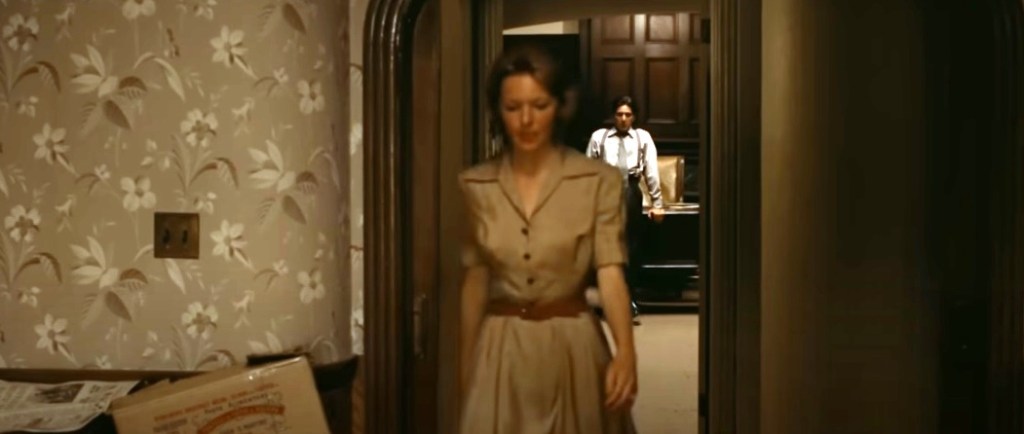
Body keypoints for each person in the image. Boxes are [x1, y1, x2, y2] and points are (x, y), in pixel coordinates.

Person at [458, 44, 638, 434]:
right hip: (501, 350)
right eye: (513, 107)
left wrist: (626, 352)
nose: (526, 120)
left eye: (539, 105)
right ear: (498, 111)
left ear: (559, 106)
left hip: (572, 346)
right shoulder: (476, 186)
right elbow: (475, 281)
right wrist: (466, 367)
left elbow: (610, 274)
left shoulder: (597, 182)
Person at [586, 97, 665, 316]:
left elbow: (651, 173)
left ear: (634, 117)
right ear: (613, 116)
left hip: (630, 190)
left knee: (630, 247)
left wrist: (657, 204)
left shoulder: (642, 138)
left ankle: (628, 298)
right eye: (619, 114)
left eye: (627, 115)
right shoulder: (599, 137)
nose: (623, 119)